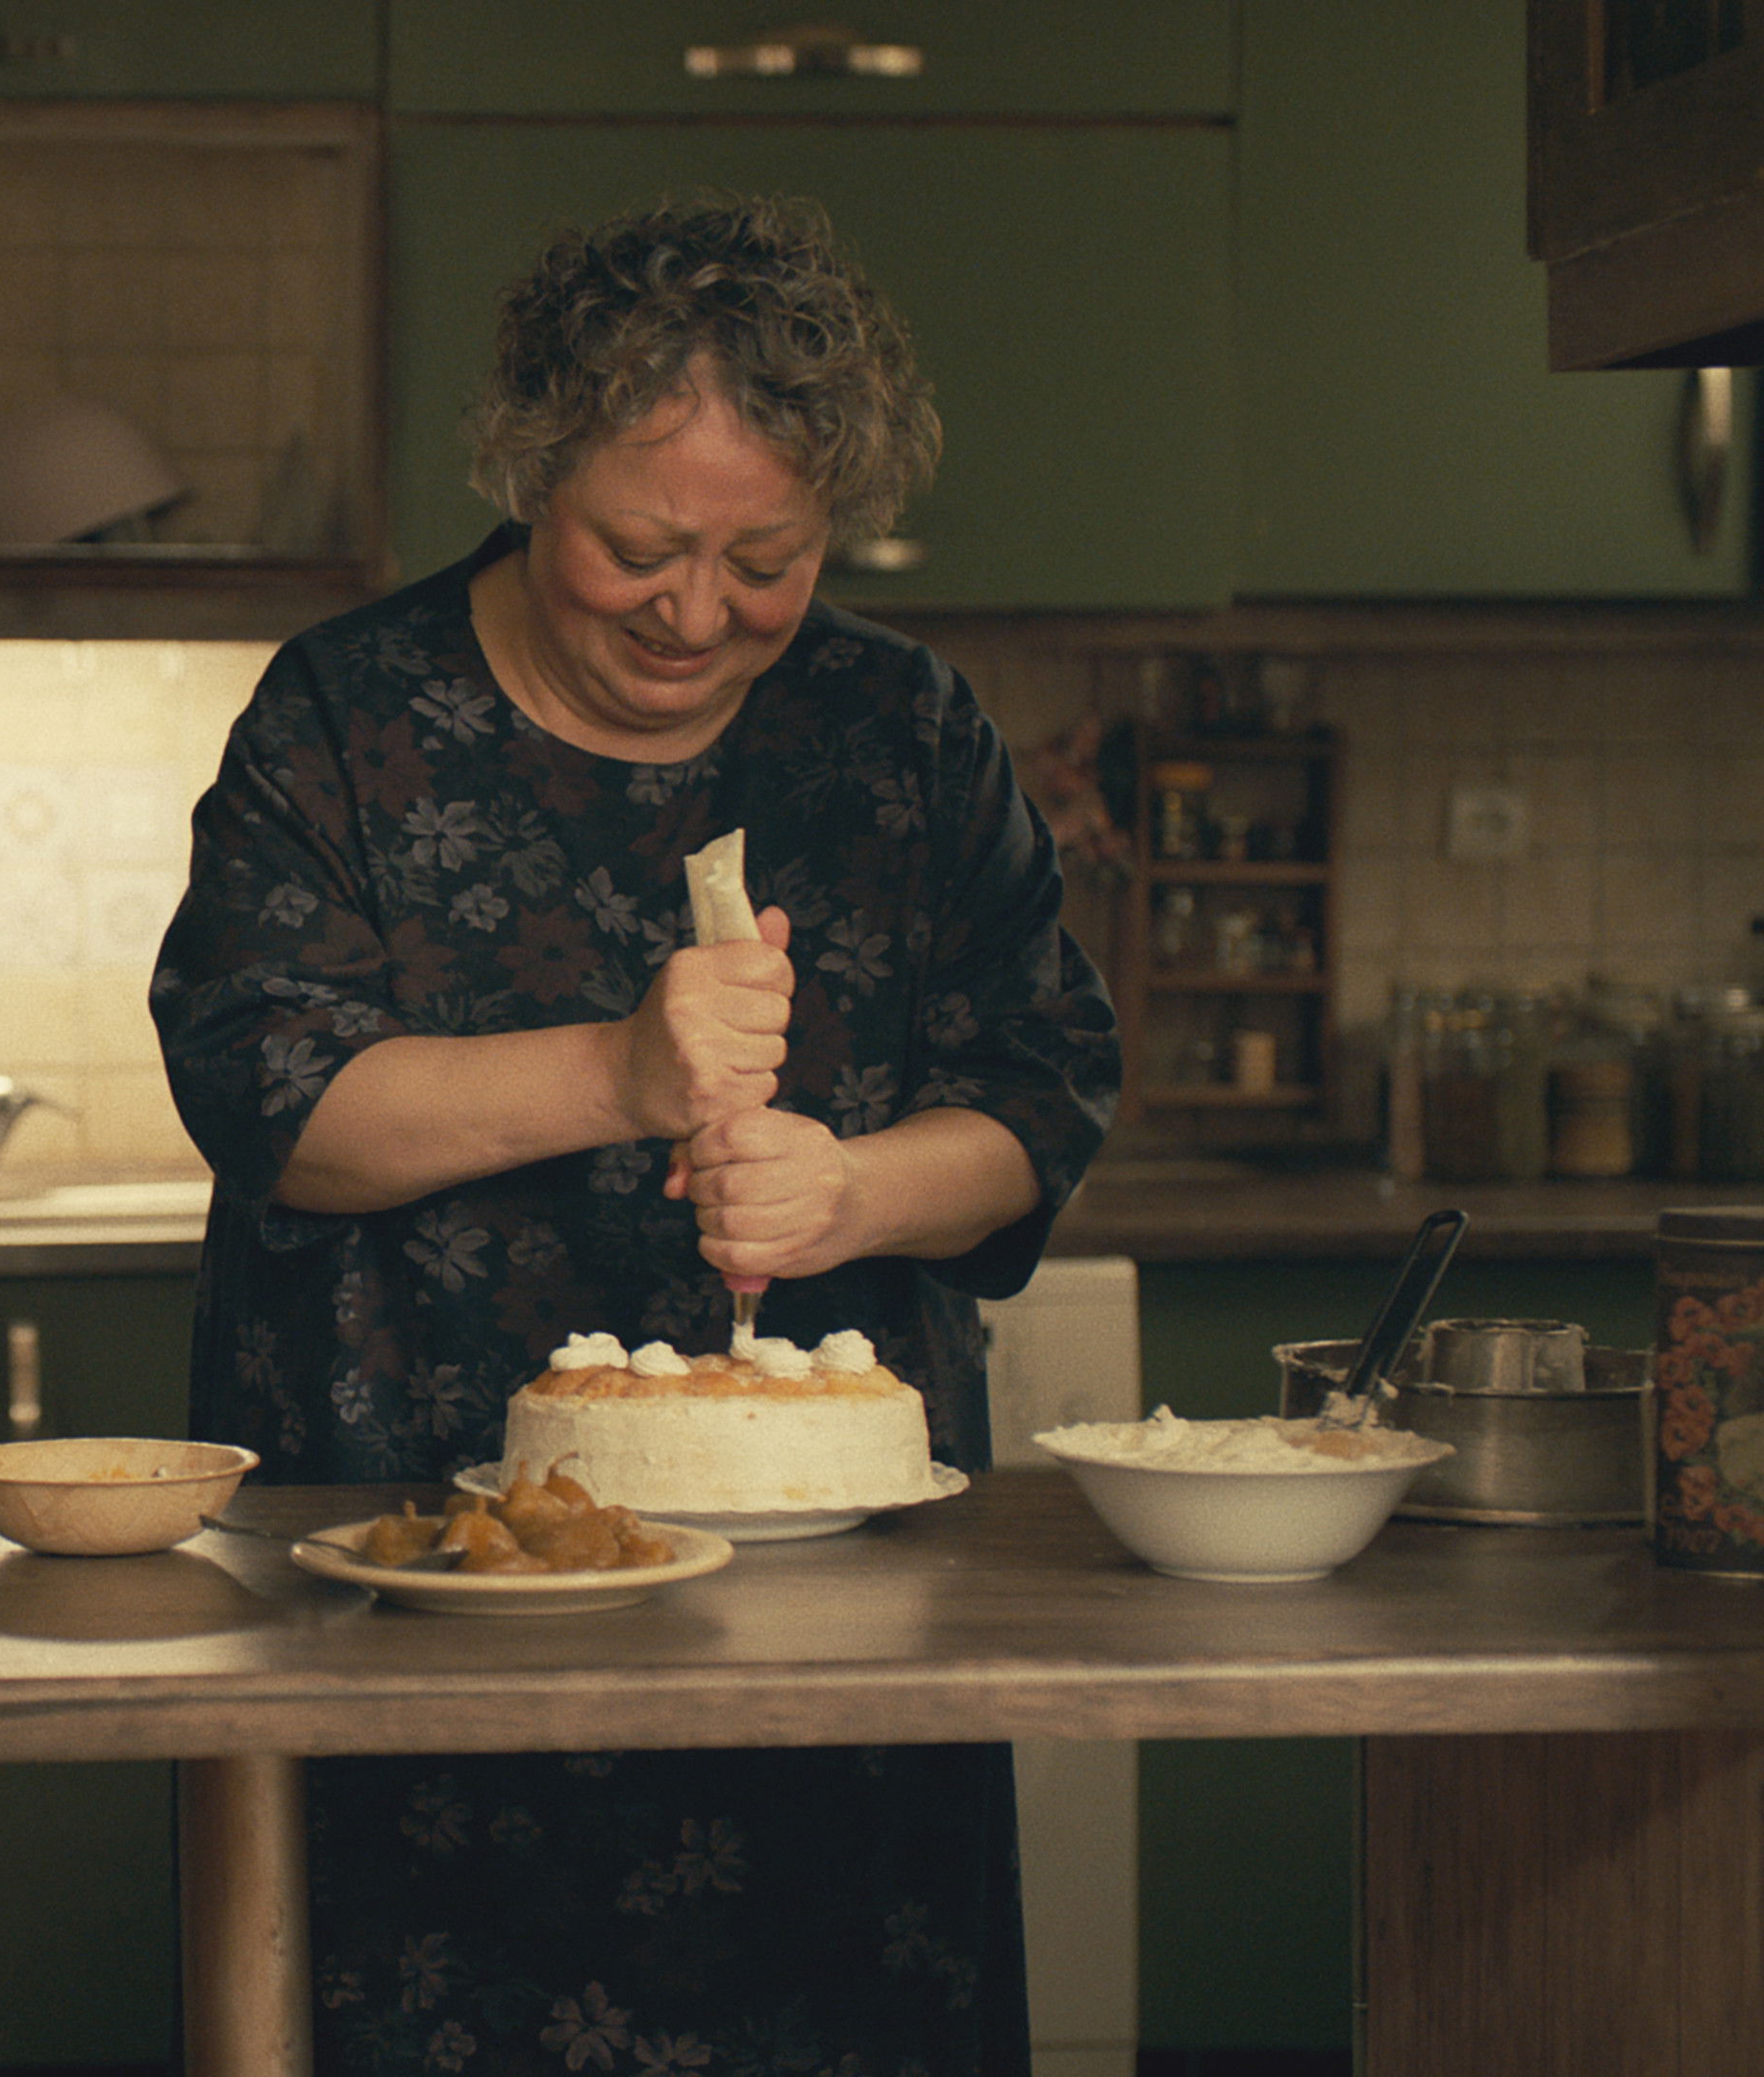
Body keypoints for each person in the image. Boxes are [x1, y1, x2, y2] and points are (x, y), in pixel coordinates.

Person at [151, 193, 1118, 2073]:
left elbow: (1043, 1090)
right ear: (530, 478)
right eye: (638, 548)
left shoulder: (898, 732)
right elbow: (272, 1105)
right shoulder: (346, 716)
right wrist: (619, 1073)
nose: (696, 611)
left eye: (768, 558)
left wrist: (850, 1191)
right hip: (423, 1587)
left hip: (830, 1618)